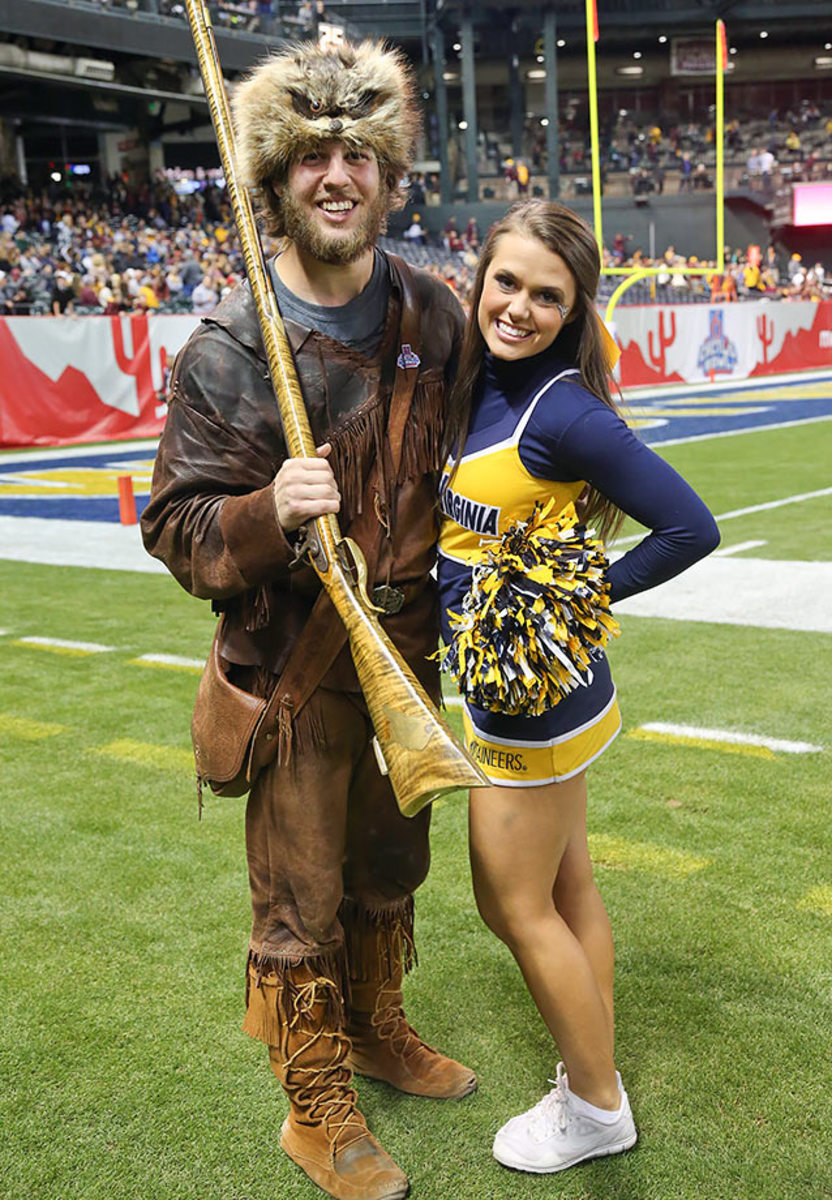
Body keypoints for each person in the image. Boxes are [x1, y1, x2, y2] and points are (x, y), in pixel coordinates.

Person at [141, 38, 475, 1200]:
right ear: (277, 182)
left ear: (388, 175)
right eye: (311, 159)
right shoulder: (231, 348)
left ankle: (377, 1029)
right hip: (292, 674)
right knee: (298, 903)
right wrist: (264, 511)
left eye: (357, 155)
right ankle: (313, 1105)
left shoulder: (434, 314)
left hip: (407, 658)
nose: (337, 176)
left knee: (390, 868)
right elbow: (175, 529)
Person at [436, 200, 720, 1175]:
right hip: (529, 690)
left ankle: (597, 1108)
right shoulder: (475, 378)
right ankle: (590, 1060)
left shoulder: (563, 411)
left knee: (511, 906)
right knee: (566, 886)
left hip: (533, 700)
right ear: (479, 279)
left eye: (546, 296)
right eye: (507, 282)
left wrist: (572, 594)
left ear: (573, 311)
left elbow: (690, 529)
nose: (519, 307)